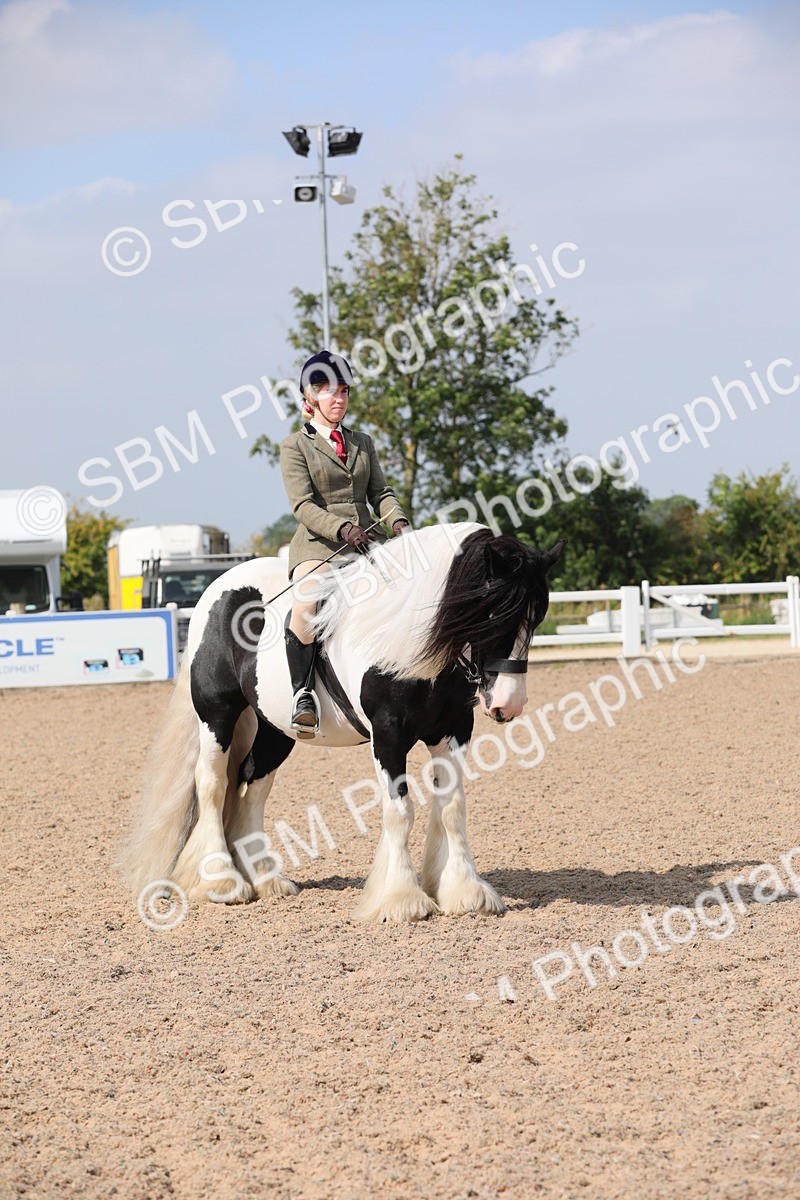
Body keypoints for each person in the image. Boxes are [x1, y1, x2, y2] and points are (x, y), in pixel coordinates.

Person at [279, 350, 410, 736]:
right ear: (311, 398)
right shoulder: (294, 446)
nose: (339, 400)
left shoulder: (362, 442)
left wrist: (400, 523)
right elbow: (302, 505)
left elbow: (380, 492)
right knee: (305, 602)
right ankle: (302, 695)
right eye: (330, 393)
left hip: (369, 541)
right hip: (320, 546)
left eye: (344, 392)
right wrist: (342, 530)